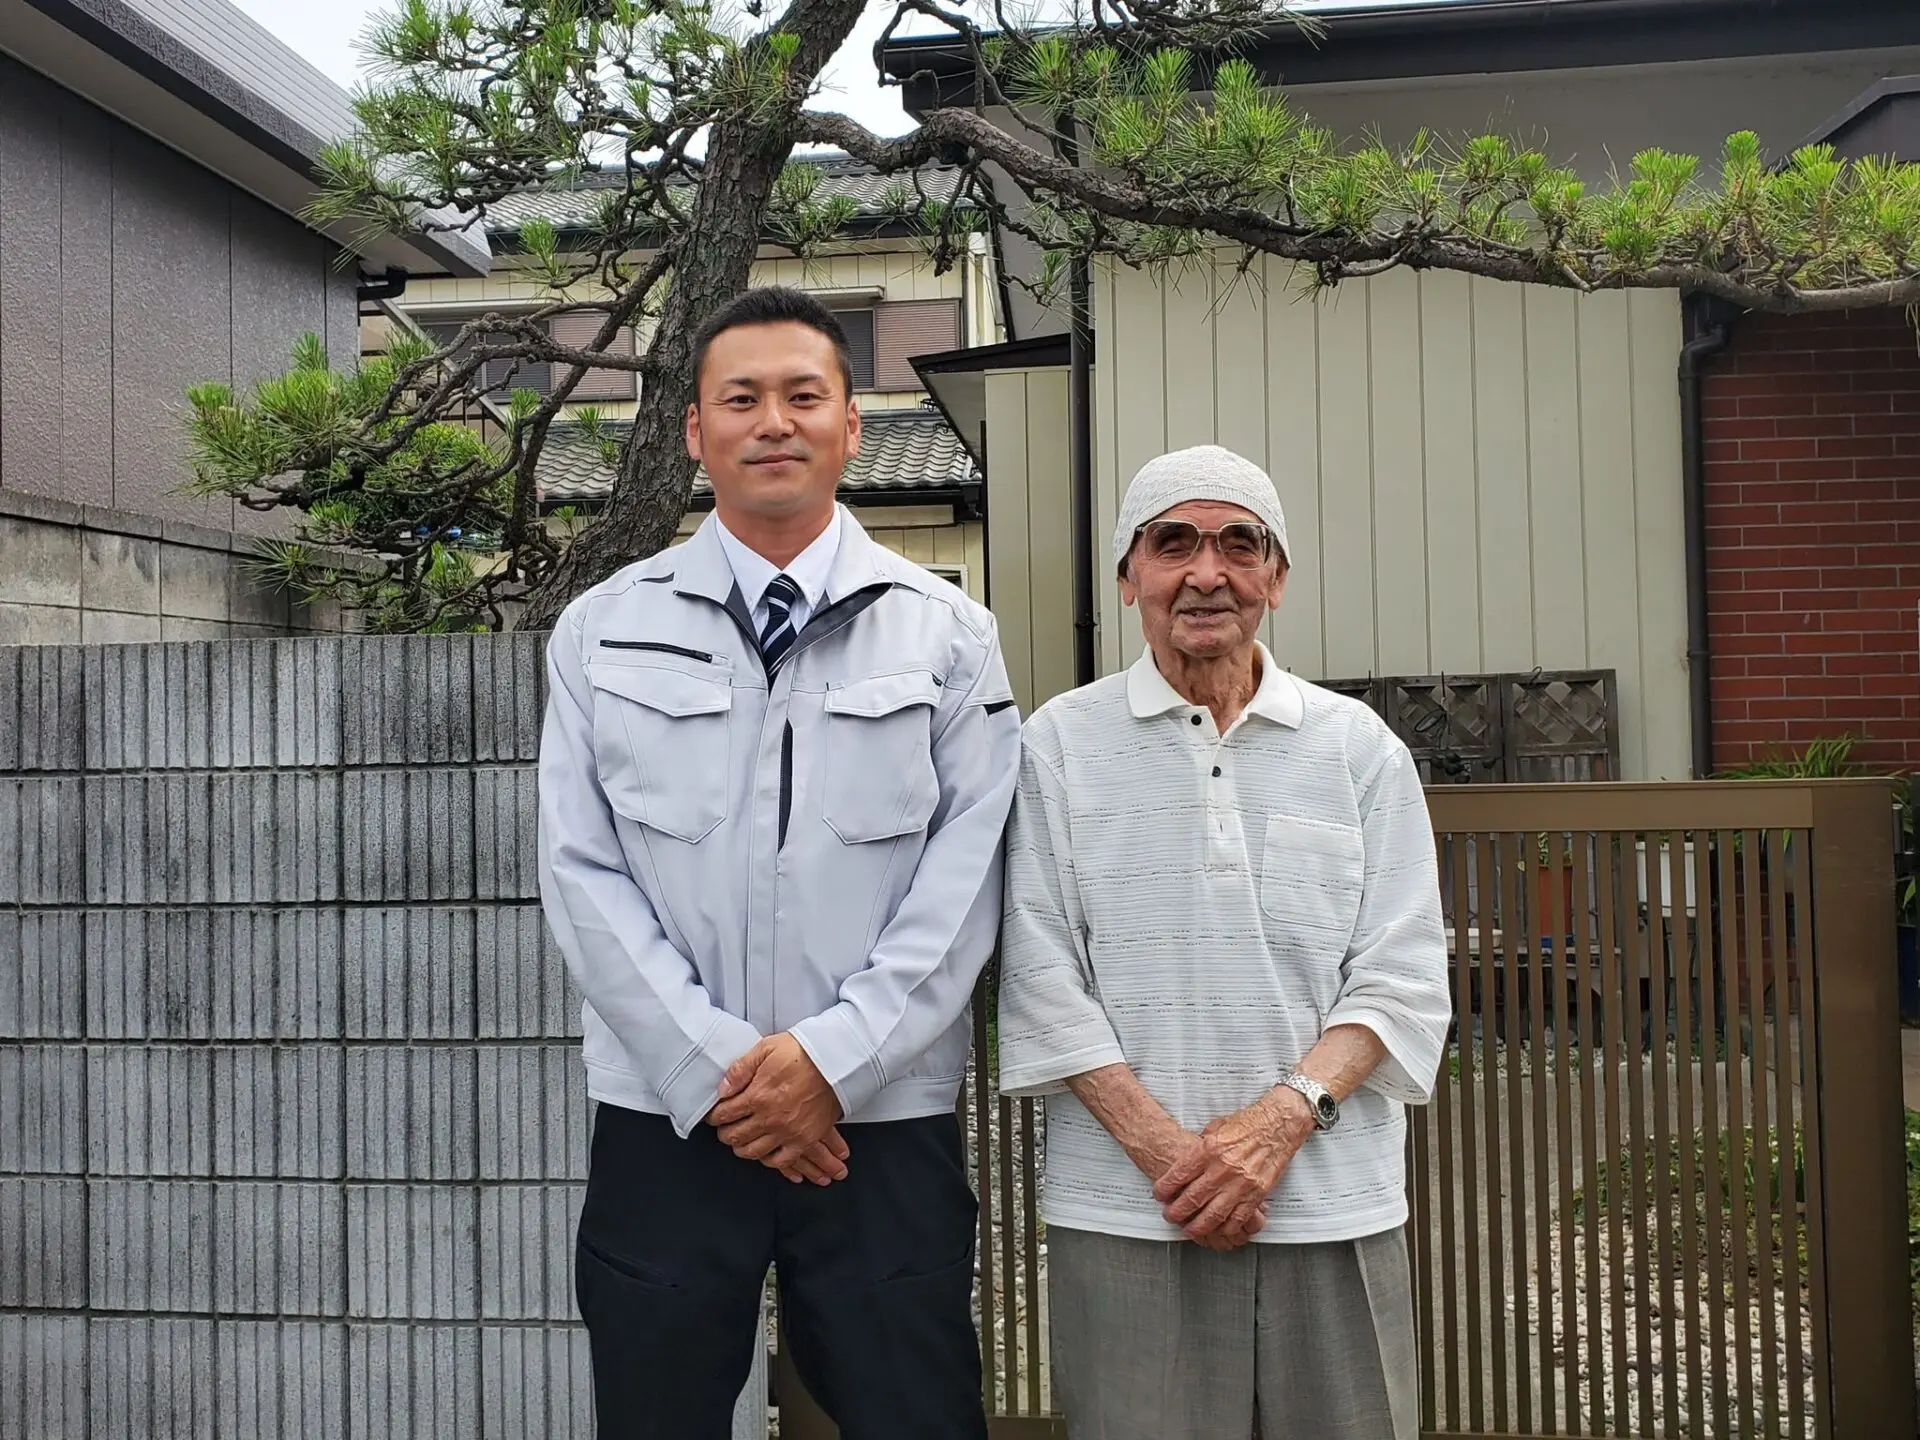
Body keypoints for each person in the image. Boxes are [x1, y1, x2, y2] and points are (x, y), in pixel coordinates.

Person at [538, 286, 1019, 1439]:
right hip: (668, 1115)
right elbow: (580, 869)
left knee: (914, 1411)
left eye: (804, 396)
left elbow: (965, 884)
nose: (773, 422)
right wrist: (723, 1075)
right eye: (739, 399)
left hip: (879, 1119)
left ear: (853, 425)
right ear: (696, 433)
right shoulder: (604, 629)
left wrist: (830, 1064)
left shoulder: (947, 631)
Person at [996, 444, 1451, 1440]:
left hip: (1332, 1198)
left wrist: (1278, 1124)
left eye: (1239, 543)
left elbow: (1403, 966)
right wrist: (1173, 1158)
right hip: (1125, 1204)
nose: (1208, 573)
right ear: (1130, 578)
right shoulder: (1058, 745)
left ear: (1276, 577)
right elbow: (1038, 973)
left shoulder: (1356, 746)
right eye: (1173, 544)